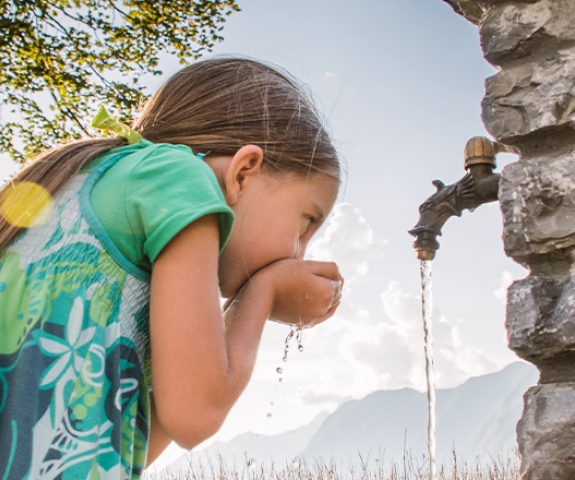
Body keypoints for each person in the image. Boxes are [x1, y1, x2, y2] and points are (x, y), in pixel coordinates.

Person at [0, 57, 343, 479]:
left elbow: (125, 450)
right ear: (244, 171)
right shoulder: (181, 177)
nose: (300, 255)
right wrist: (262, 292)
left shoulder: (93, 185)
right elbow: (196, 415)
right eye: (307, 223)